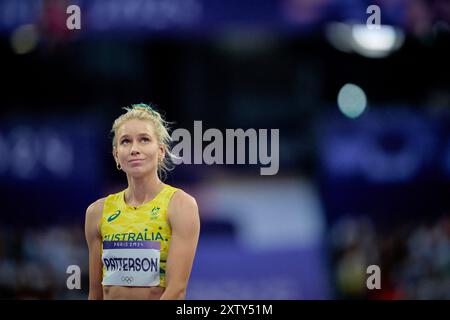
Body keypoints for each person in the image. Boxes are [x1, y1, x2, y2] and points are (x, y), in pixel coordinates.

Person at [85, 103, 200, 300]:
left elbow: (176, 291)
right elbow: (95, 294)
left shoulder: (180, 205)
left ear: (161, 151)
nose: (134, 149)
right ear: (116, 156)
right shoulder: (97, 212)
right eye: (125, 141)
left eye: (144, 140)